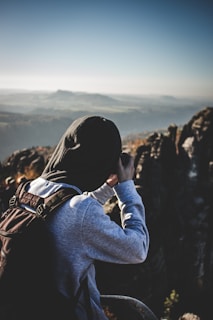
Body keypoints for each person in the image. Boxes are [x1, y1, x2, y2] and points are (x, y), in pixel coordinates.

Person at [26, 115, 149, 320]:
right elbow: (138, 249)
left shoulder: (30, 188)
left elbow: (65, 208)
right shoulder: (81, 212)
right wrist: (125, 187)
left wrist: (107, 188)